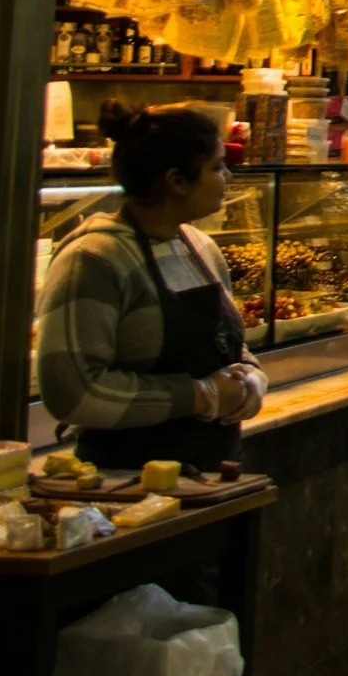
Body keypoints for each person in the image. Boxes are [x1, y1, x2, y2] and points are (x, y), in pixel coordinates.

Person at [37, 101, 269, 475]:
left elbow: (227, 345)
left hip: (211, 474)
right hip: (126, 484)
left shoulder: (200, 248)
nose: (227, 177)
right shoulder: (95, 259)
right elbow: (72, 391)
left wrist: (252, 377)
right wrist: (199, 396)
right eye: (216, 167)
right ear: (177, 181)